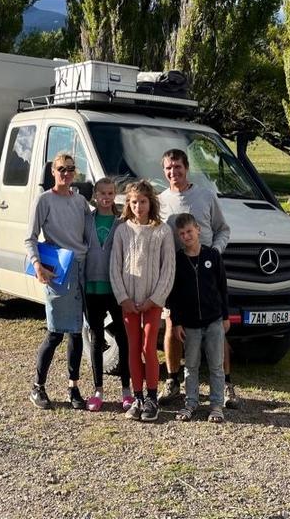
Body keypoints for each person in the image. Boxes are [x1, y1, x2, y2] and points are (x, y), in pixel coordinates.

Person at [157, 148, 235, 407]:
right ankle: (172, 380)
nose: (173, 172)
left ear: (186, 168)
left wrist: (215, 252)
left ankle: (226, 384)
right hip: (177, 274)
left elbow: (223, 229)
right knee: (172, 324)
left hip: (206, 271)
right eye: (168, 168)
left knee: (216, 327)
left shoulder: (205, 196)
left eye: (177, 167)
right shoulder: (161, 201)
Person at [26, 151, 98, 410]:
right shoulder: (44, 200)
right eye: (61, 169)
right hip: (58, 272)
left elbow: (92, 230)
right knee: (55, 332)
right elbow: (30, 238)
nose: (66, 173)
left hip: (81, 270)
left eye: (70, 169)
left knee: (77, 333)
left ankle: (73, 388)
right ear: (53, 172)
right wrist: (37, 265)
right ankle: (38, 386)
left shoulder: (80, 202)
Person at [110, 179, 175, 422]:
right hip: (129, 302)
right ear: (129, 203)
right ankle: (137, 397)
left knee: (149, 347)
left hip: (152, 302)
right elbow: (115, 267)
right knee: (133, 348)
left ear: (151, 203)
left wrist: (155, 299)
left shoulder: (162, 231)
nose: (139, 206)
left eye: (143, 202)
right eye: (134, 202)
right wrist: (123, 298)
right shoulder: (122, 231)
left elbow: (168, 269)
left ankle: (152, 398)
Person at [168, 213, 230, 423]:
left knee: (216, 365)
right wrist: (177, 322)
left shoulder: (212, 255)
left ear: (198, 230)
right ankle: (191, 403)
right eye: (182, 233)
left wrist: (225, 316)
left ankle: (216, 405)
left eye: (189, 231)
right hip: (190, 323)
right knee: (191, 365)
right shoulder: (178, 259)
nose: (187, 236)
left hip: (214, 320)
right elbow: (174, 295)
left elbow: (222, 288)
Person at [83, 177, 132, 412]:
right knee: (96, 338)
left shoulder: (121, 223)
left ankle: (126, 390)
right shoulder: (87, 221)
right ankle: (98, 390)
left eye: (110, 193)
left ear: (115, 195)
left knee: (122, 337)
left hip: (115, 288)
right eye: (102, 193)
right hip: (91, 287)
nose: (106, 197)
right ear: (95, 195)